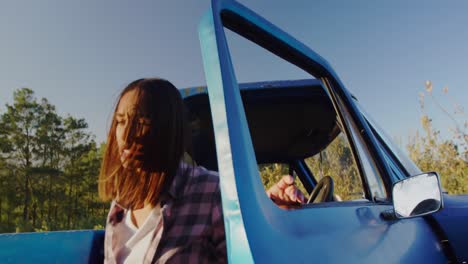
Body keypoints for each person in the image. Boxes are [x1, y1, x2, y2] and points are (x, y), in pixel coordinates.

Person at [99, 78, 305, 264]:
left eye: (141, 123)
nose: (124, 137)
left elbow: (253, 251)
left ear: (168, 129)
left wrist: (265, 214)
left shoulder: (215, 192)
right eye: (121, 121)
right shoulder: (120, 206)